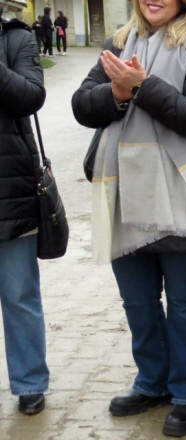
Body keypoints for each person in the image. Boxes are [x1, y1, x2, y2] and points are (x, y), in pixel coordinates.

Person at [71, 0, 186, 436]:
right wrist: (116, 93)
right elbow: (83, 106)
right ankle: (152, 382)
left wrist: (141, 87)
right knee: (138, 303)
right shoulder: (119, 43)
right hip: (124, 192)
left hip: (181, 192)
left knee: (185, 304)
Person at [0, 12, 50, 416]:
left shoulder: (16, 37)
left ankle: (29, 382)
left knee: (18, 294)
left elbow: (31, 95)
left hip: (10, 187)